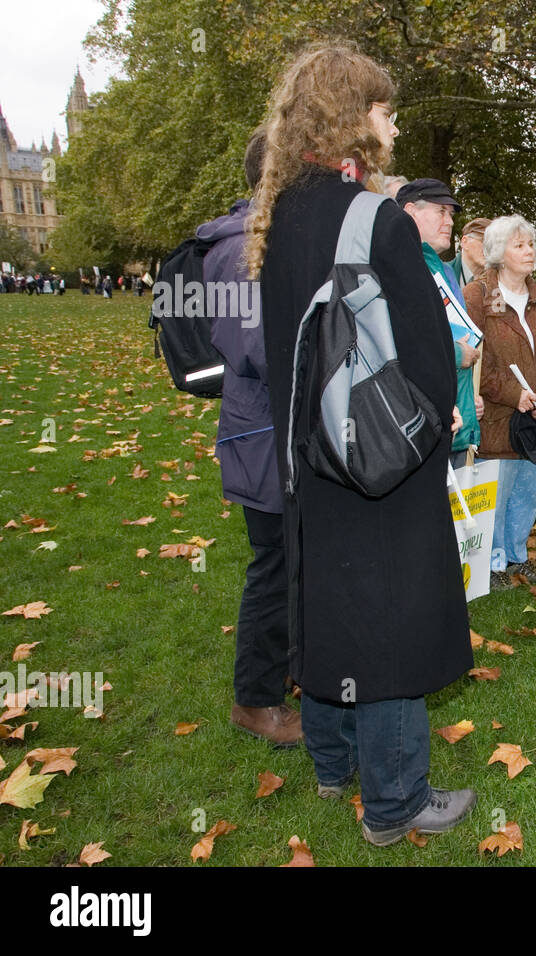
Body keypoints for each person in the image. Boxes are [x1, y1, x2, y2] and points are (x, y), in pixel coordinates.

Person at [247, 42, 475, 845]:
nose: (393, 120)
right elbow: (426, 350)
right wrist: (439, 419)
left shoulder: (276, 214)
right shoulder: (374, 216)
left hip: (309, 455)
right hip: (382, 452)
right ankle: (396, 801)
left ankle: (331, 760)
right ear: (353, 119)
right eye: (383, 108)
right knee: (391, 620)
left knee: (331, 602)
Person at [202, 128, 300, 748]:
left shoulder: (269, 239)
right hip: (264, 433)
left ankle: (288, 670)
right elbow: (258, 346)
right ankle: (254, 700)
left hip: (279, 430)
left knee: (293, 561)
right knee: (274, 565)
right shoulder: (240, 248)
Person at [462, 215, 536, 588]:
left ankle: (516, 557)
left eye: (531, 244)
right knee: (497, 494)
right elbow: (475, 361)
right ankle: (492, 565)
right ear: (498, 252)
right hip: (497, 420)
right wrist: (515, 394)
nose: (529, 251)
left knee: (526, 495)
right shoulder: (477, 297)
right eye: (519, 245)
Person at [396, 177, 482, 468]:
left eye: (451, 214)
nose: (449, 221)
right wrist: (457, 354)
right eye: (440, 211)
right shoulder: (396, 267)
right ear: (410, 211)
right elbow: (402, 343)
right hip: (416, 426)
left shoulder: (441, 269)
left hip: (453, 421)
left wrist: (470, 406)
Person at [451, 217, 490, 288]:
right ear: (464, 242)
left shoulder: (501, 281)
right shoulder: (440, 275)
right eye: (484, 241)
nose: (489, 248)